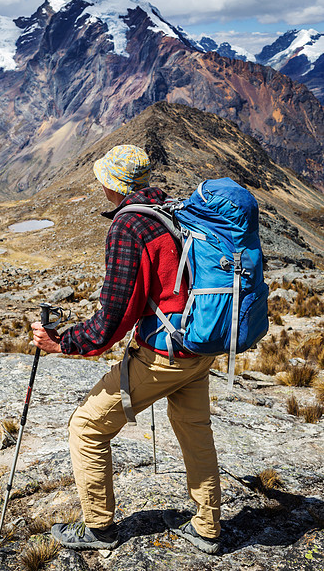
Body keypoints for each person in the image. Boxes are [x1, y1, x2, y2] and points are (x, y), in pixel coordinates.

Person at [32, 145, 221, 554]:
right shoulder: (171, 208)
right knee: (195, 431)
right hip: (200, 344)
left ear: (111, 184)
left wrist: (61, 342)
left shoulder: (129, 227)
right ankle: (207, 526)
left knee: (87, 426)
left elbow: (113, 320)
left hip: (165, 353)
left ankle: (98, 529)